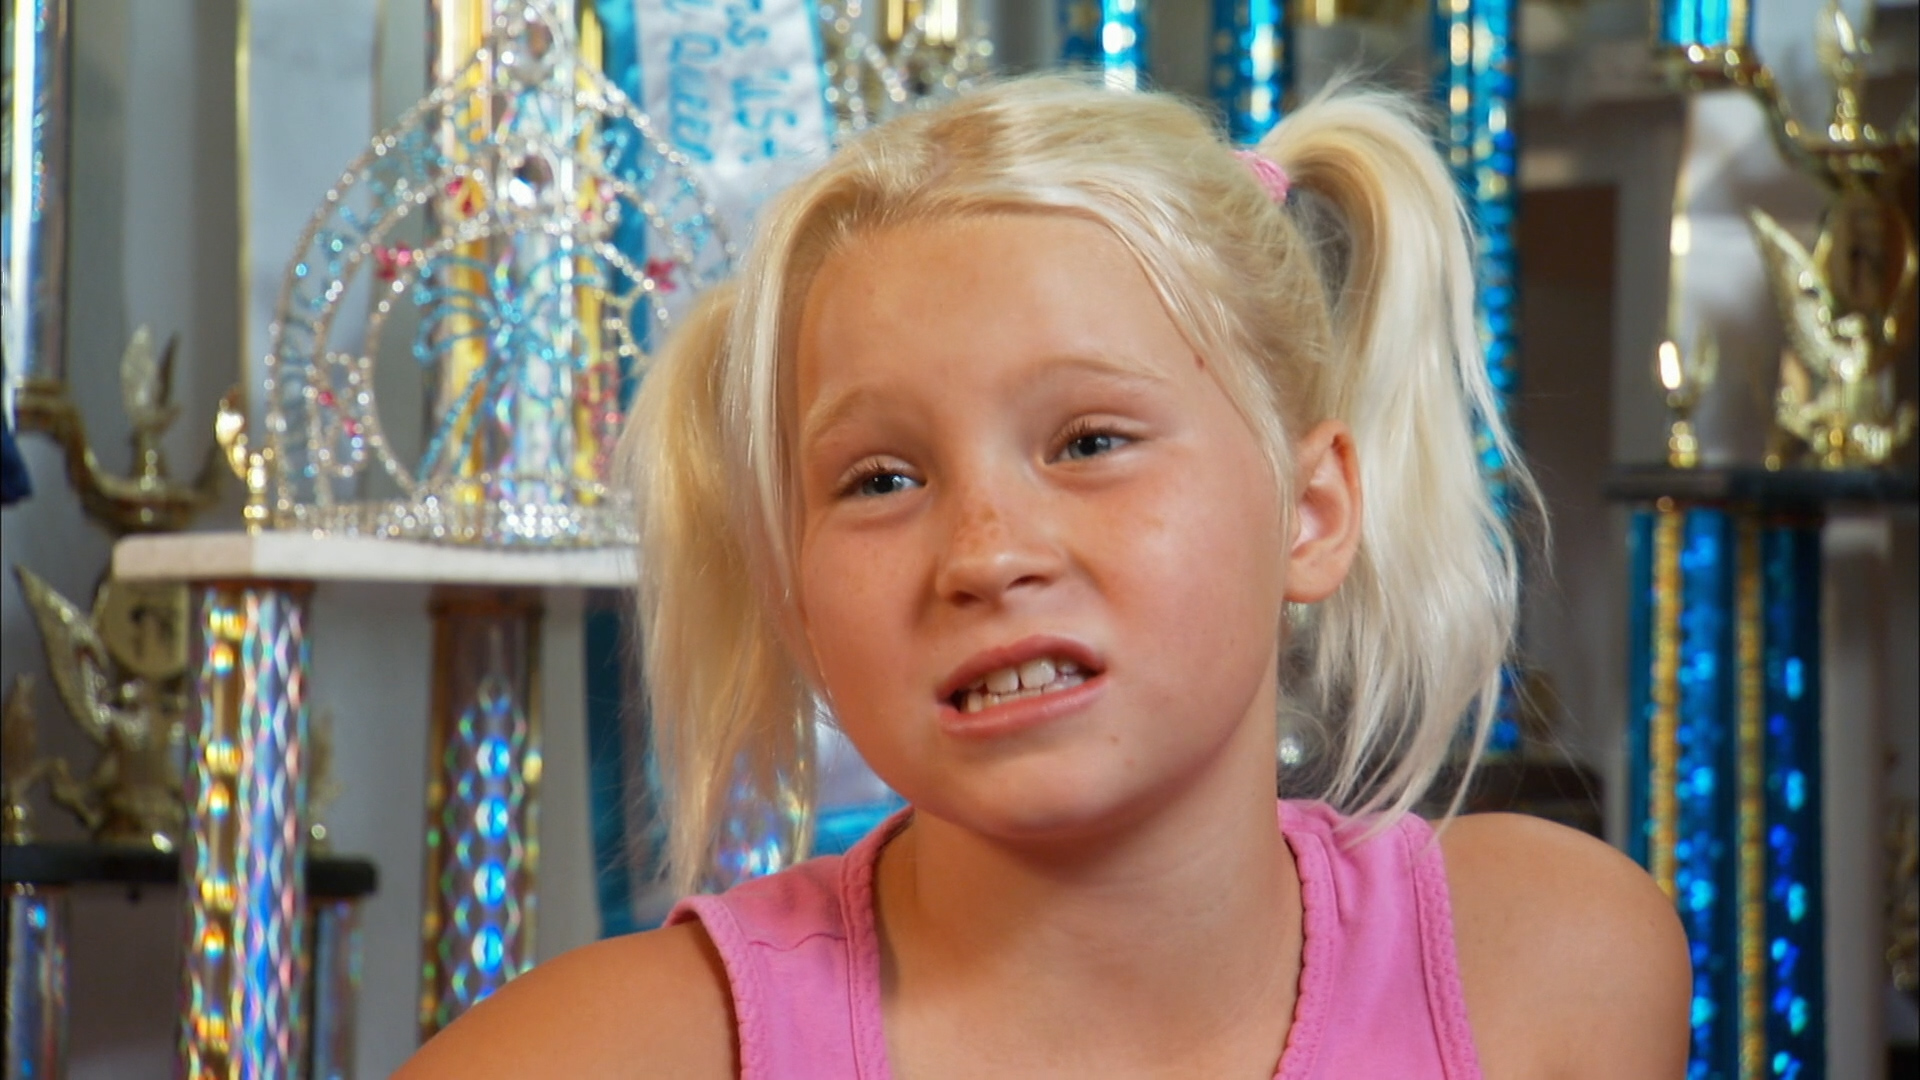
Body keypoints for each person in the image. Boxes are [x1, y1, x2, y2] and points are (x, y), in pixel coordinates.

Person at [400, 76, 1689, 1078]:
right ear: (792, 597)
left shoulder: (1550, 968)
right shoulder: (606, 1054)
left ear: (1310, 512)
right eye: (880, 480)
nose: (986, 554)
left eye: (1089, 443)